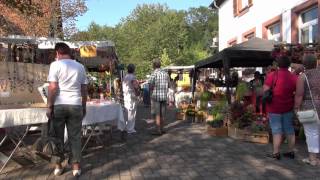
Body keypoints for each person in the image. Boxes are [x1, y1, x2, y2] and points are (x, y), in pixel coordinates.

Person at [47, 42, 87, 177]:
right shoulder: (80, 66)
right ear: (69, 52)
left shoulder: (55, 65)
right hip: (75, 104)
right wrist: (84, 105)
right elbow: (84, 89)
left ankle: (58, 166)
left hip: (59, 104)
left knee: (57, 136)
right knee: (75, 137)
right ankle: (76, 167)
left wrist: (49, 106)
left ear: (57, 53)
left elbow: (52, 87)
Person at [263, 56, 297, 160]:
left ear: (278, 64)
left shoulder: (272, 75)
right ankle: (291, 152)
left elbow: (265, 90)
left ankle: (276, 153)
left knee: (277, 130)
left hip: (274, 107)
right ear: (288, 65)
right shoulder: (293, 77)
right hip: (288, 106)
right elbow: (297, 92)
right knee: (289, 129)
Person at [295, 54, 320, 165]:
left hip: (309, 107)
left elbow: (299, 95)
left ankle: (313, 159)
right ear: (316, 63)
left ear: (304, 64)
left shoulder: (303, 77)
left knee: (311, 133)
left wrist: (296, 108)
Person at [148, 59, 170, 135]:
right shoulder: (166, 73)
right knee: (163, 114)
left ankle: (158, 130)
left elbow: (150, 85)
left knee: (157, 114)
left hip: (156, 96)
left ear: (154, 65)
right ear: (160, 65)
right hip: (164, 96)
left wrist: (152, 90)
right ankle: (163, 128)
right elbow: (169, 85)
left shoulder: (154, 73)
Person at [122, 64, 139, 134]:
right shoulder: (133, 77)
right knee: (132, 112)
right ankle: (130, 128)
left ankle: (126, 127)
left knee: (127, 111)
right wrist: (137, 93)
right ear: (133, 69)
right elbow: (135, 86)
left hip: (126, 96)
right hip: (131, 96)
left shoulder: (125, 77)